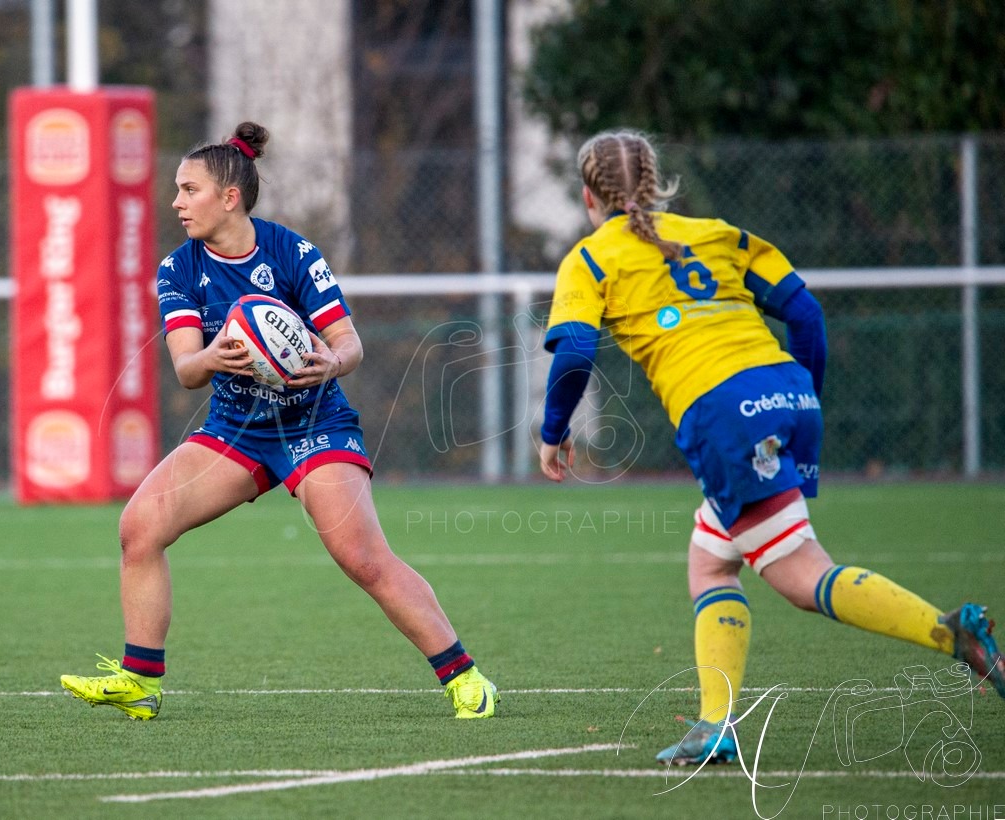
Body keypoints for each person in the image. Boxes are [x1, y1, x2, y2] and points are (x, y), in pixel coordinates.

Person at [537, 128, 1004, 765]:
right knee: (712, 558)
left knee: (799, 573)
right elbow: (805, 314)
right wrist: (799, 400)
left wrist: (552, 431)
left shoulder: (591, 259)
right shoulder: (719, 233)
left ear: (589, 196)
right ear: (656, 181)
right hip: (786, 389)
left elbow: (575, 351)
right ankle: (713, 727)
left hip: (724, 413)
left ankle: (951, 634)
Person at [60, 122, 498, 721]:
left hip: (315, 423)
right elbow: (188, 369)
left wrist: (328, 363)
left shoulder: (292, 252)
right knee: (138, 529)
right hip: (234, 431)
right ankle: (140, 680)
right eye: (177, 191)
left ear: (229, 197)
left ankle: (465, 676)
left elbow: (349, 344)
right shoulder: (178, 269)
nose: (177, 203)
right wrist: (213, 357)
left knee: (362, 558)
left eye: (189, 191)